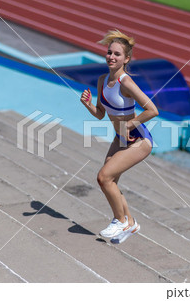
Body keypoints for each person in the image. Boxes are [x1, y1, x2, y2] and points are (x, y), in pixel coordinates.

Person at [80, 29, 159, 244]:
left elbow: (152, 110)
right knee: (110, 180)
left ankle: (119, 220)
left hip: (139, 140)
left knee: (103, 177)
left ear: (126, 59)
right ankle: (130, 224)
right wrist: (88, 105)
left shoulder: (126, 83)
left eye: (117, 54)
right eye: (109, 53)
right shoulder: (102, 80)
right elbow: (100, 114)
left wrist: (130, 125)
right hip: (120, 138)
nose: (111, 57)